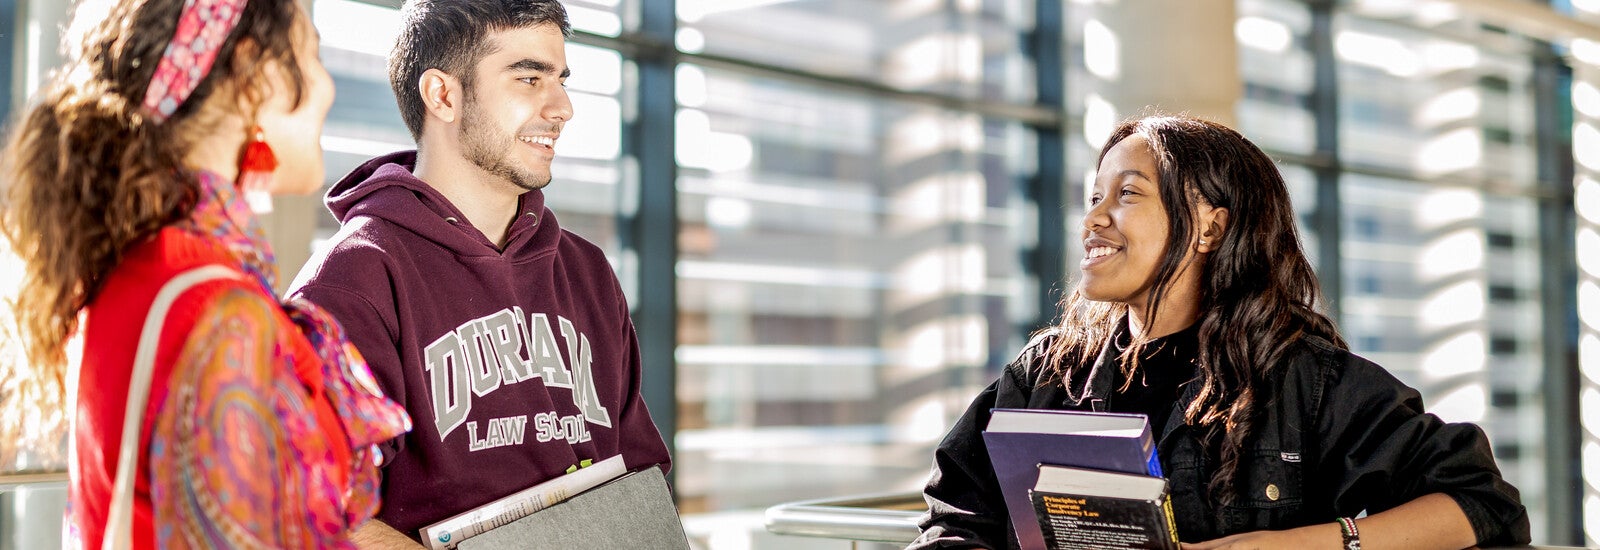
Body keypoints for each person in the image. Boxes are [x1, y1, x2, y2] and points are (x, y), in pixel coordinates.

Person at [909, 114, 1530, 550]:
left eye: (1126, 194)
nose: (1092, 219)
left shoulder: (1304, 380)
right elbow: (954, 519)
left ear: (1210, 227)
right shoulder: (1045, 374)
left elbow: (1482, 503)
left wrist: (1296, 545)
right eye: (1094, 196)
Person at [2, 0, 412, 547]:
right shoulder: (220, 309)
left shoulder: (138, 262)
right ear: (253, 76)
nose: (328, 87)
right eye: (311, 56)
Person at [286, 0, 671, 545]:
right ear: (442, 95)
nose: (562, 107)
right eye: (530, 78)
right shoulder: (350, 283)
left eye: (560, 80)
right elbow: (319, 514)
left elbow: (641, 478)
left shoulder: (586, 270)